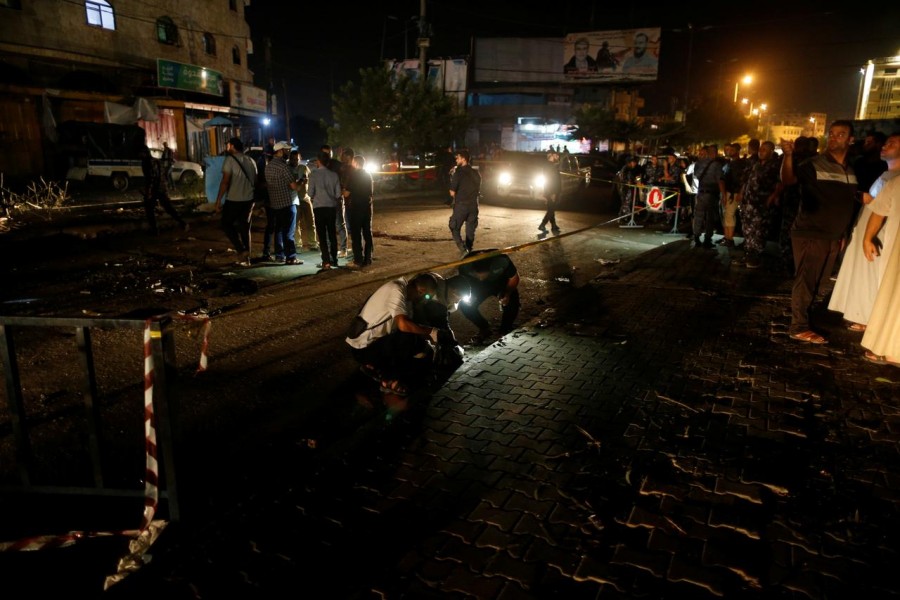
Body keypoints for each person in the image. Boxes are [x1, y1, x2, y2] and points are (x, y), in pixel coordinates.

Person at [780, 120, 858, 345]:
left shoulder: (850, 170)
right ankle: (798, 326)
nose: (834, 137)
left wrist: (842, 233)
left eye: (840, 134)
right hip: (811, 232)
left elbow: (846, 202)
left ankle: (805, 316)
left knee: (819, 282)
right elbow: (788, 180)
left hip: (833, 236)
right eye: (831, 133)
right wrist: (788, 157)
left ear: (851, 140)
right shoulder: (814, 164)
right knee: (806, 279)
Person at [828, 133, 900, 331]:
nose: (885, 146)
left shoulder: (897, 178)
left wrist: (870, 234)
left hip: (880, 234)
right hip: (866, 229)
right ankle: (859, 311)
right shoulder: (887, 174)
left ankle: (868, 317)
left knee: (872, 274)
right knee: (862, 273)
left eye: (892, 143)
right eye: (885, 143)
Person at [345, 273, 444, 396]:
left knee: (416, 342)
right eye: (427, 296)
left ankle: (379, 368)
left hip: (374, 343)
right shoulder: (396, 289)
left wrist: (430, 336)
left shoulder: (405, 296)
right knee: (408, 339)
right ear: (421, 291)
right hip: (362, 348)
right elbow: (403, 325)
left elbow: (411, 325)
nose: (425, 300)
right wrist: (431, 332)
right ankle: (387, 379)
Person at [860, 175, 900, 367]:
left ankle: (894, 351)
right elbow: (879, 211)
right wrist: (867, 238)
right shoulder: (896, 183)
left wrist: (868, 238)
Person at [456, 249, 520, 341]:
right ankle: (484, 328)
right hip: (477, 286)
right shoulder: (465, 265)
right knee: (465, 306)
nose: (481, 278)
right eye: (478, 275)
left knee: (512, 302)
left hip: (500, 282)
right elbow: (464, 284)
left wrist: (507, 293)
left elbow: (514, 278)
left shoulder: (502, 260)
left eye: (483, 275)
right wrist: (470, 295)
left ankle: (505, 329)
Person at [738, 141, 783, 268]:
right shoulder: (755, 163)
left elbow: (780, 182)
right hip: (749, 202)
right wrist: (741, 193)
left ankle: (755, 257)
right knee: (747, 229)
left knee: (759, 230)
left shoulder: (775, 165)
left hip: (762, 203)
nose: (760, 152)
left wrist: (773, 196)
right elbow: (746, 179)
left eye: (764, 150)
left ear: (771, 151)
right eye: (760, 149)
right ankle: (748, 254)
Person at [214, 137, 257, 266]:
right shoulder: (251, 160)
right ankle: (247, 259)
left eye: (228, 145)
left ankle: (241, 250)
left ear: (232, 146)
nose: (227, 147)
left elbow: (225, 182)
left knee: (226, 224)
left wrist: (218, 200)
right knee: (245, 227)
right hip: (249, 199)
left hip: (234, 199)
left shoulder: (230, 160)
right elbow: (255, 180)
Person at [263, 141, 302, 264]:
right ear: (280, 151)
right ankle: (291, 257)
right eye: (286, 150)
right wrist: (301, 182)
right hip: (287, 203)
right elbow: (294, 186)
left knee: (279, 231)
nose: (288, 152)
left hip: (275, 204)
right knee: (288, 232)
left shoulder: (268, 166)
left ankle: (280, 255)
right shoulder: (284, 167)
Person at [139, 145, 188, 236]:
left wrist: (148, 192)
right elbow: (163, 176)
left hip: (155, 189)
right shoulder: (157, 161)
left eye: (141, 153)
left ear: (144, 153)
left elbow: (151, 178)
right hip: (162, 188)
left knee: (149, 209)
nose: (139, 155)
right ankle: (182, 223)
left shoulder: (147, 162)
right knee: (168, 207)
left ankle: (155, 230)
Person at [307, 148, 343, 270]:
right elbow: (338, 194)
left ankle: (326, 261)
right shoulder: (334, 175)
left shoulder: (313, 175)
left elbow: (310, 193)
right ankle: (334, 259)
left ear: (318, 161)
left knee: (322, 236)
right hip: (331, 207)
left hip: (319, 208)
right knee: (332, 234)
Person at [448, 148, 481, 258]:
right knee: (470, 230)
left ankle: (463, 250)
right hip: (473, 206)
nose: (456, 160)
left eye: (458, 158)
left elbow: (452, 193)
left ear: (463, 159)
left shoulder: (458, 173)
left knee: (454, 227)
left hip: (462, 206)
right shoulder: (476, 173)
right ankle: (469, 250)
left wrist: (452, 178)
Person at [691, 144, 725, 248]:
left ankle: (696, 237)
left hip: (700, 192)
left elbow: (696, 176)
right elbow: (720, 180)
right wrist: (723, 194)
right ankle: (707, 239)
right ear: (715, 152)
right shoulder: (717, 165)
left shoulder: (698, 163)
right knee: (710, 217)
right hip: (712, 194)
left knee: (698, 215)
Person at [344, 154, 374, 268]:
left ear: (356, 163)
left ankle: (358, 260)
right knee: (367, 233)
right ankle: (368, 258)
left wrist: (342, 191)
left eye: (353, 162)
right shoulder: (368, 175)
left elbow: (347, 193)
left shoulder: (353, 176)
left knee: (356, 234)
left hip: (356, 207)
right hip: (367, 206)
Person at [719, 143, 747, 248]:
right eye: (728, 150)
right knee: (727, 215)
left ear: (737, 151)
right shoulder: (729, 163)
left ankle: (729, 238)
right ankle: (727, 237)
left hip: (733, 192)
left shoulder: (739, 164)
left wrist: (740, 192)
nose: (729, 152)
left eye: (731, 150)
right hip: (729, 192)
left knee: (729, 215)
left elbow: (743, 180)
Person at [289, 150, 317, 252]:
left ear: (299, 159)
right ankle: (298, 244)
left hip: (305, 198)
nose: (295, 161)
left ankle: (312, 243)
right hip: (294, 199)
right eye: (293, 159)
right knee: (296, 223)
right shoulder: (288, 169)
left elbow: (309, 179)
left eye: (297, 159)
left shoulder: (304, 168)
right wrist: (301, 182)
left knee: (310, 221)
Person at [538, 150, 561, 234]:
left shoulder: (551, 165)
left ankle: (553, 225)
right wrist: (553, 193)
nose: (557, 157)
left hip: (550, 190)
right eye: (556, 155)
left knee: (551, 208)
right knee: (551, 209)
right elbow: (552, 180)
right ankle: (542, 224)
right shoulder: (550, 166)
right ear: (551, 156)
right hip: (552, 191)